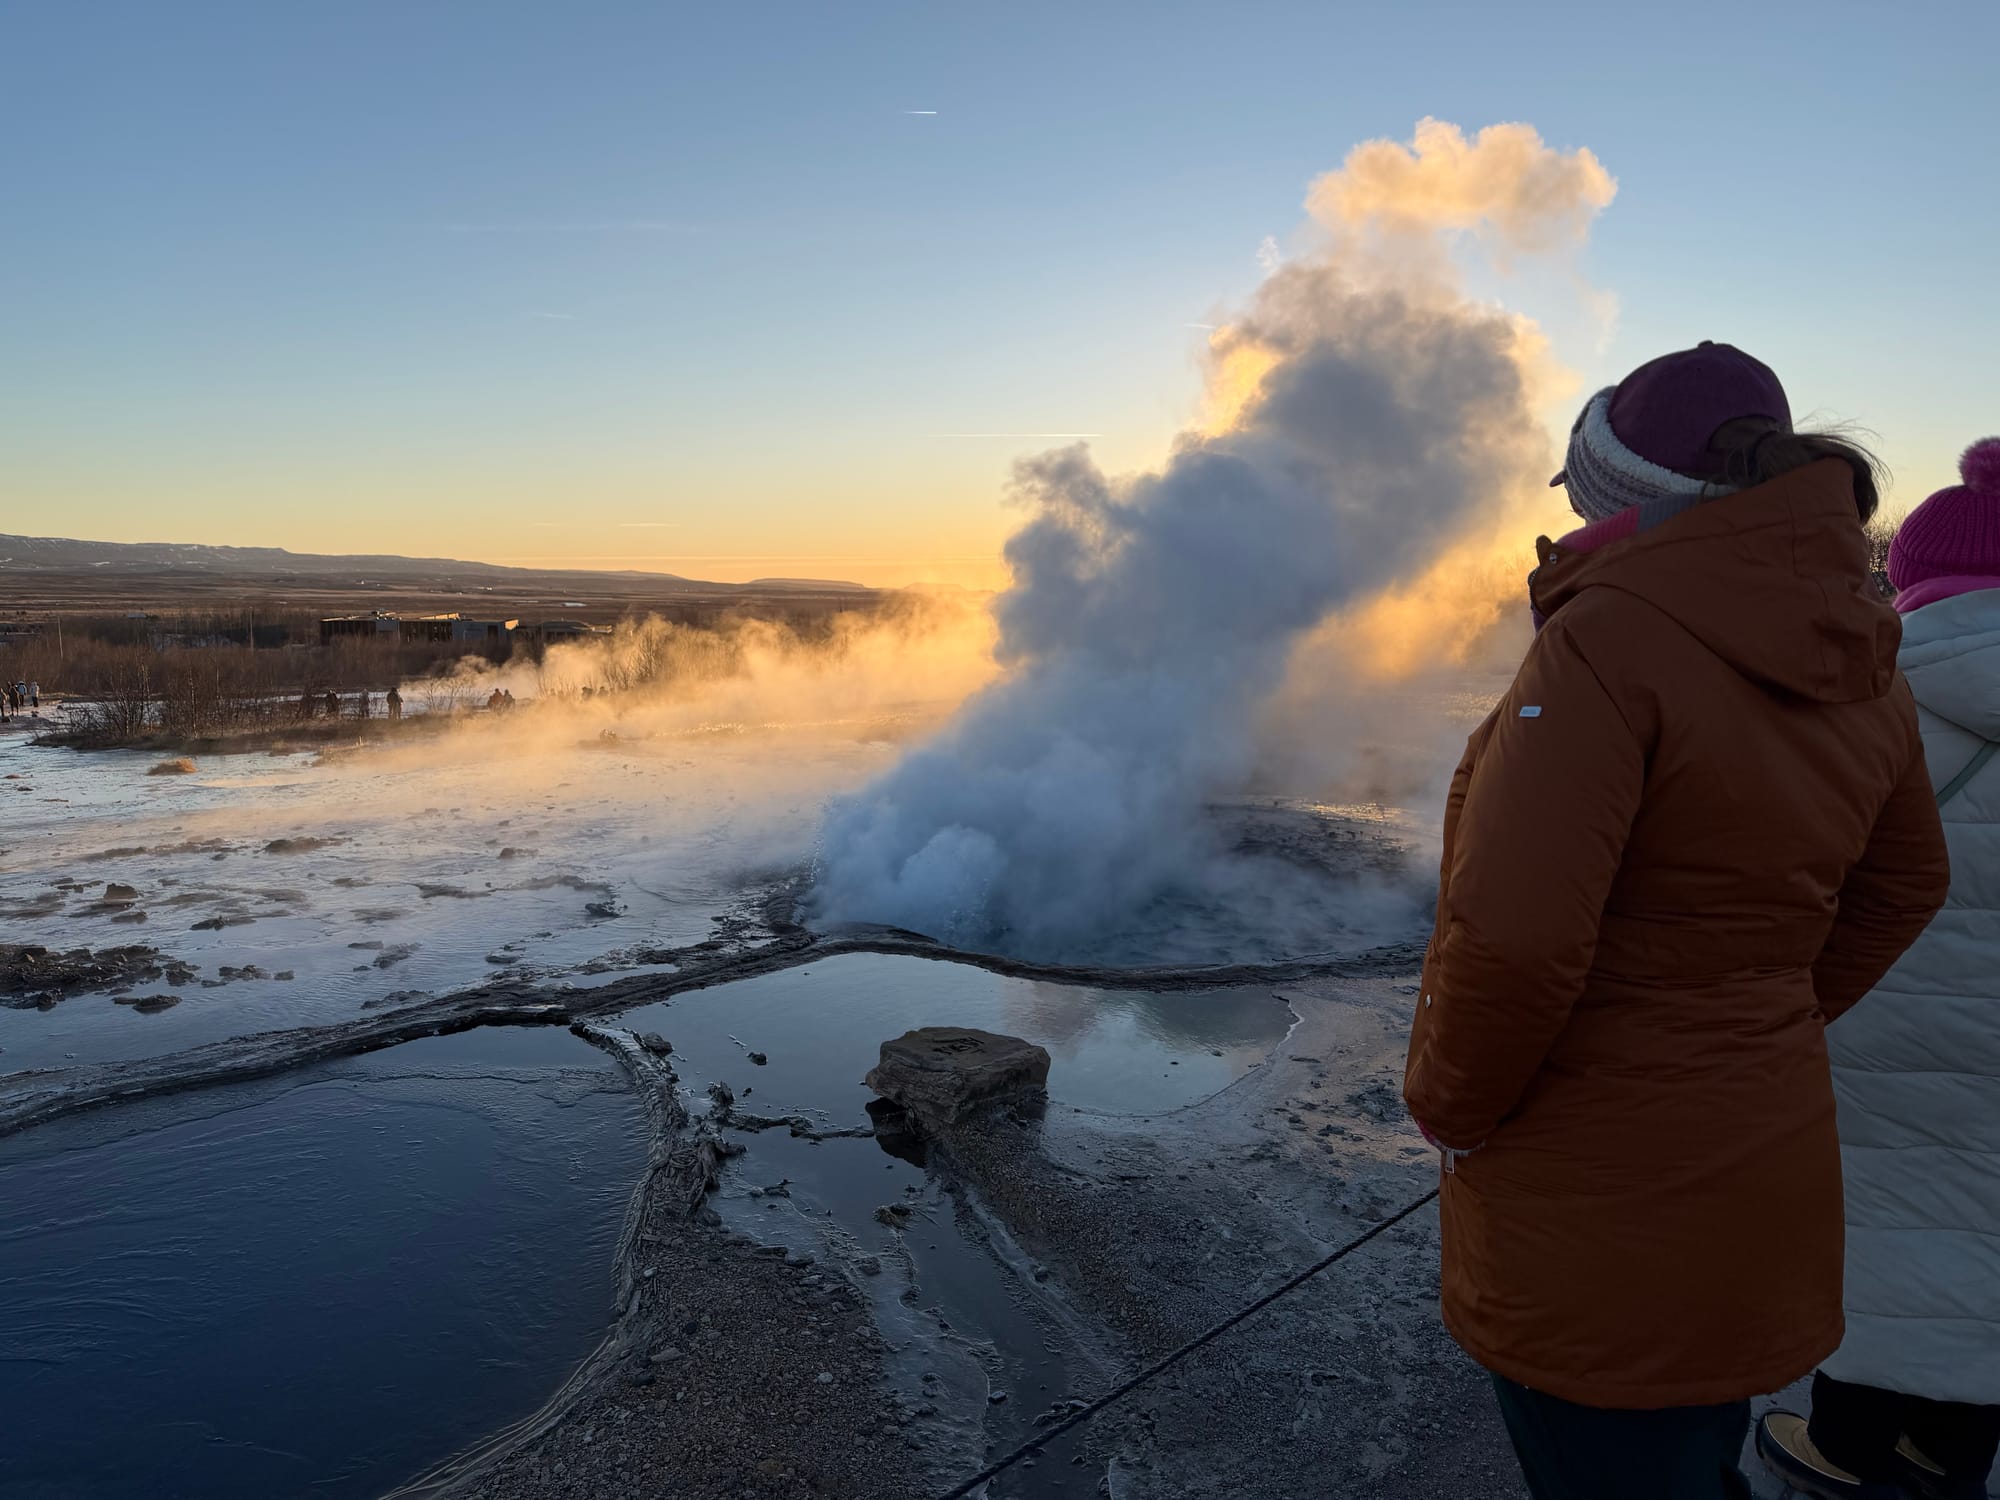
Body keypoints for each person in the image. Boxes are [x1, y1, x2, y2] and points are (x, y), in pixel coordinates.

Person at [1402, 342, 1951, 1500]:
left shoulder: (1604, 639)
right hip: (1756, 1145)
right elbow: (1903, 885)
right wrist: (1765, 1009)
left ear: (1622, 499)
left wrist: (1449, 1107)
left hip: (1596, 1182)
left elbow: (1514, 938)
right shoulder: (1859, 643)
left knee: (1609, 1466)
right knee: (1691, 1449)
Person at [1757, 440, 2000, 1500]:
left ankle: (1848, 1447)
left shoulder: (1867, 706)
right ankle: (1952, 1451)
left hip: (1881, 1030)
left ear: (1913, 579)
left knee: (1893, 1224)